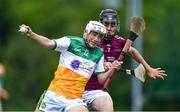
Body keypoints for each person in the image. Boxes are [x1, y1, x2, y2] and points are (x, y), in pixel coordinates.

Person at [19, 21, 122, 112]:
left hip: (74, 100)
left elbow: (101, 80)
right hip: (53, 96)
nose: (96, 39)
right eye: (94, 34)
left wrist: (112, 69)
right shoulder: (71, 41)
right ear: (86, 32)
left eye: (99, 37)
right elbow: (48, 43)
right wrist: (31, 34)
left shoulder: (99, 53)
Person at [83, 9, 167, 111]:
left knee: (107, 106)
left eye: (112, 24)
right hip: (79, 87)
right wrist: (103, 64)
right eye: (106, 24)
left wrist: (148, 68)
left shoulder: (120, 42)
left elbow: (132, 51)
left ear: (117, 25)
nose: (109, 28)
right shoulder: (93, 40)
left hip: (97, 91)